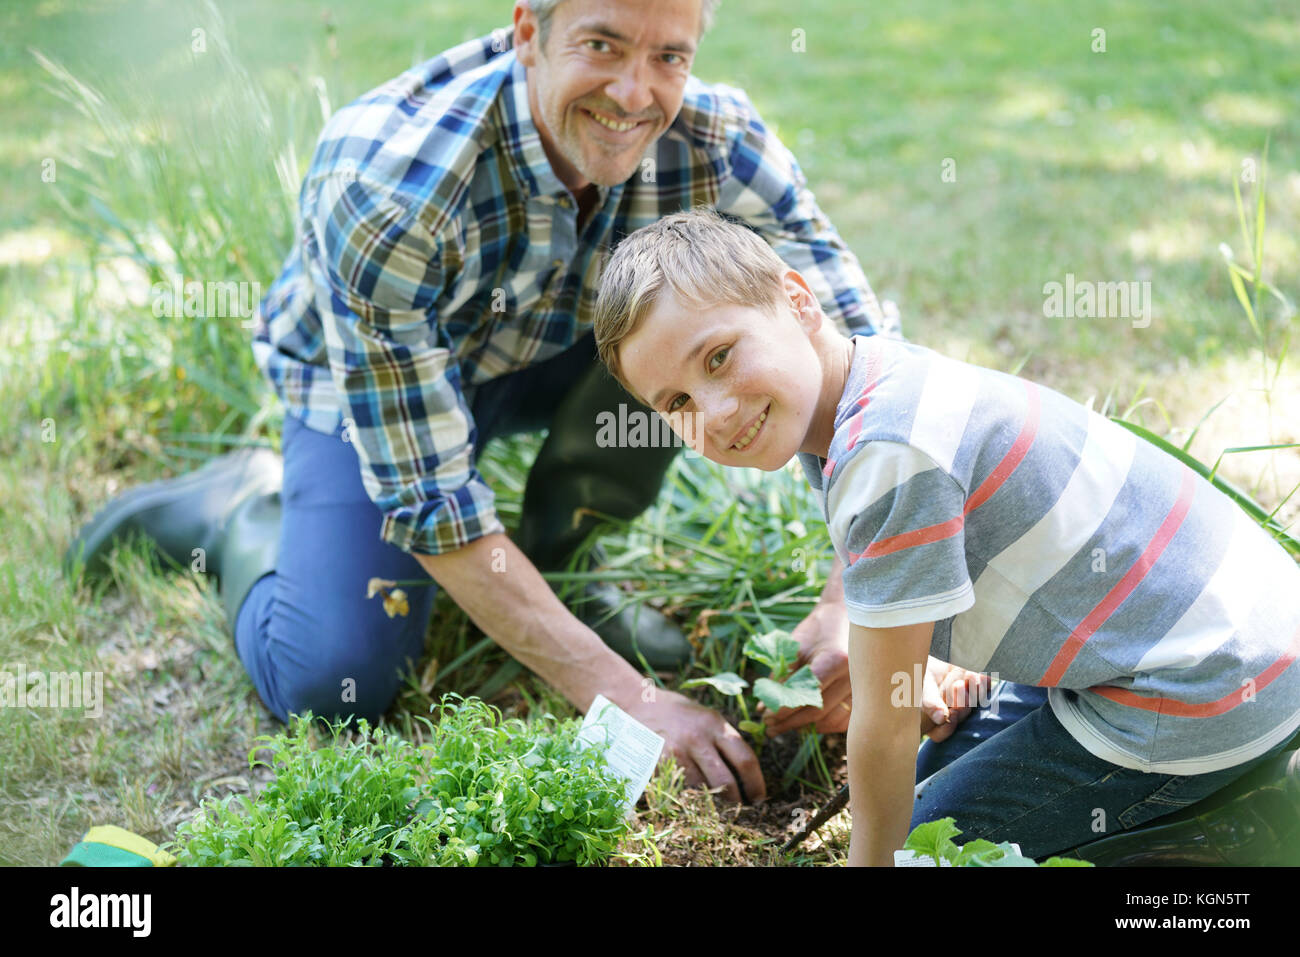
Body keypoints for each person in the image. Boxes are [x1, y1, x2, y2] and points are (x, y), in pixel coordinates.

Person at [64, 0, 974, 806]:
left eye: (670, 56)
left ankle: (560, 559)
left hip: (556, 349)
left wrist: (853, 595)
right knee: (333, 674)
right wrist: (626, 697)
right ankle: (243, 511)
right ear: (528, 33)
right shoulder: (390, 185)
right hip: (375, 392)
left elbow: (856, 352)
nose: (634, 93)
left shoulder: (718, 142)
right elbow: (432, 496)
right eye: (603, 45)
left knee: (682, 333)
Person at [591, 206, 1300, 863]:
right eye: (677, 402)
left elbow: (887, 720)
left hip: (1206, 685)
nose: (712, 412)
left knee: (931, 850)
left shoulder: (887, 454)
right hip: (1205, 634)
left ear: (799, 301)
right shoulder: (873, 383)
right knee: (930, 782)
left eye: (718, 357)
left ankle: (1240, 829)